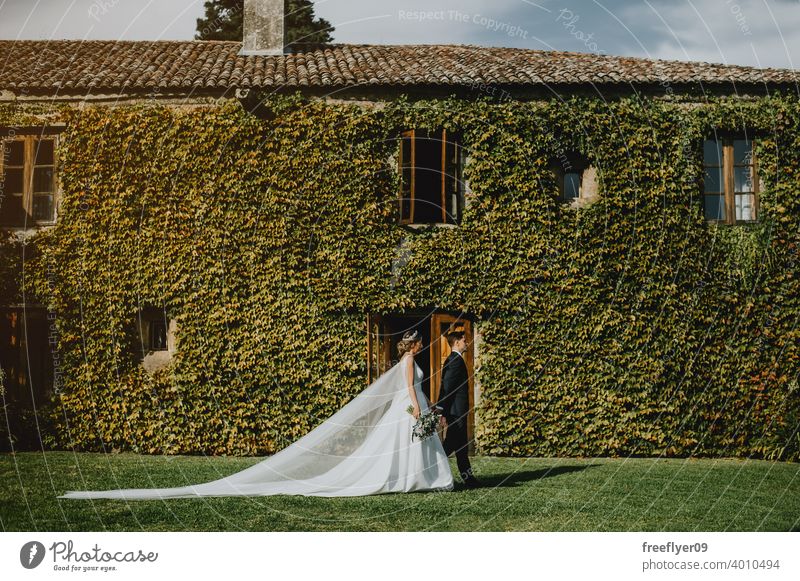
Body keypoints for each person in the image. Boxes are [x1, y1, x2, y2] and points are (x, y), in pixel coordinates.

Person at [58, 330, 453, 499]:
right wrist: (418, 411)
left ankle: (421, 480)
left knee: (408, 450)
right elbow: (407, 388)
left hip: (409, 411)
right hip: (408, 410)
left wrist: (417, 409)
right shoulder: (405, 362)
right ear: (413, 345)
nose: (418, 344)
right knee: (402, 450)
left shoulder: (408, 359)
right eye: (418, 342)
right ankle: (413, 480)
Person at [435, 330, 481, 488]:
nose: (466, 343)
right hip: (456, 412)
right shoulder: (455, 360)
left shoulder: (455, 359)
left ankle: (468, 479)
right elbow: (447, 387)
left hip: (457, 411)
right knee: (450, 445)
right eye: (464, 340)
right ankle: (429, 468)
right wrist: (441, 410)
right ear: (456, 343)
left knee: (461, 446)